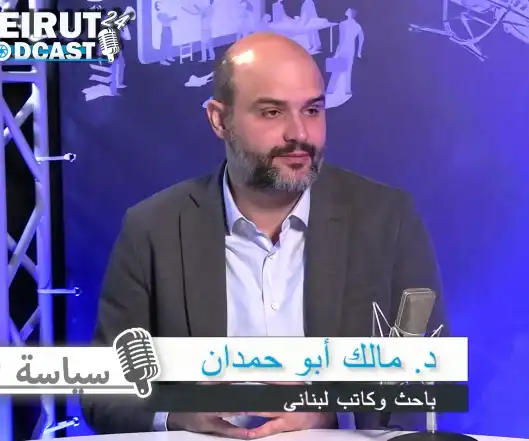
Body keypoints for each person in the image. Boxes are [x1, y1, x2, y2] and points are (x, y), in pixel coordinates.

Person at [81, 32, 448, 438]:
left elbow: (429, 374)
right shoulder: (154, 228)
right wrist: (179, 414)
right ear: (219, 120)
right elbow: (104, 391)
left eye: (312, 110)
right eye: (272, 112)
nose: (299, 133)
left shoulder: (385, 219)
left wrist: (330, 413)